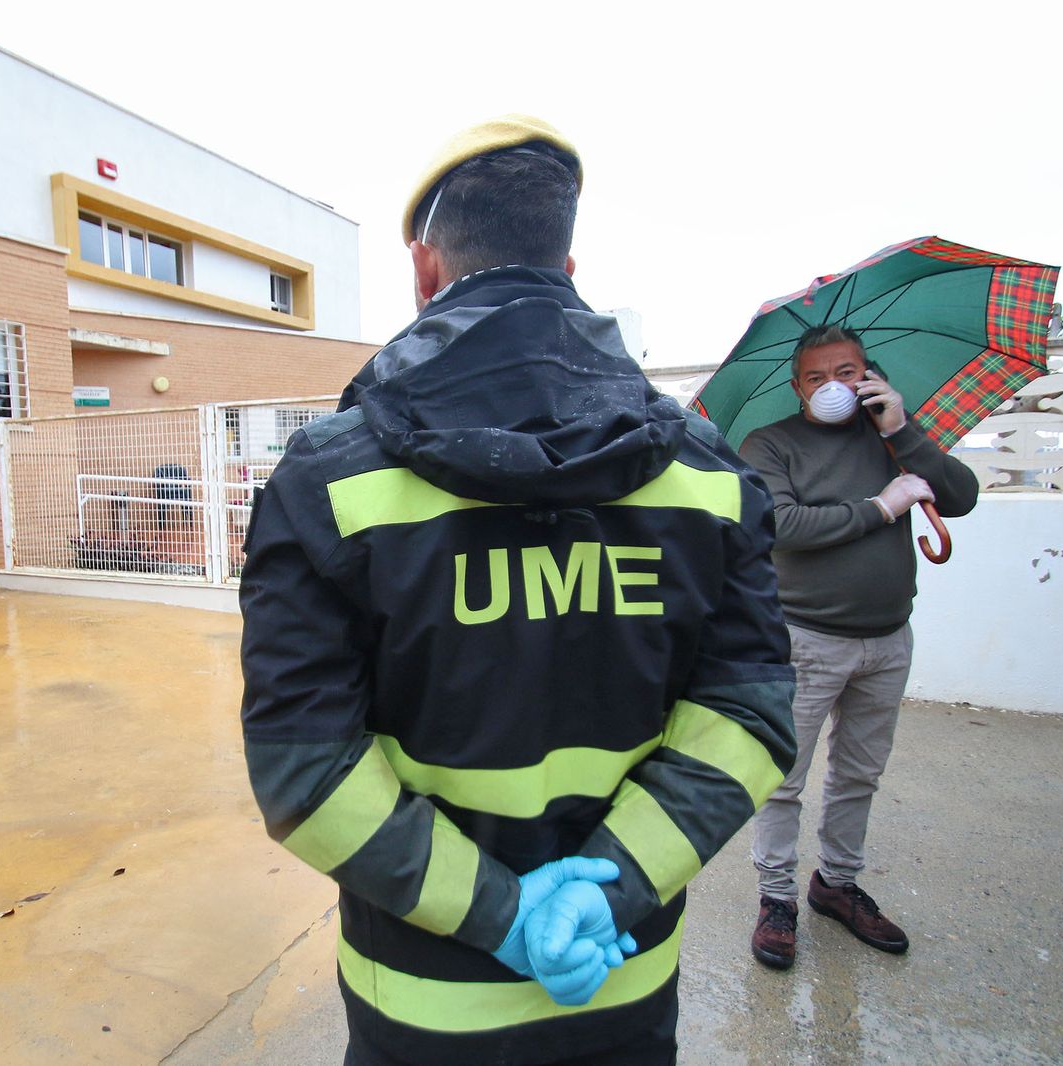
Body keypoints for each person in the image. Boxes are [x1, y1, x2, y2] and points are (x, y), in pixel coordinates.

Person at [238, 115, 796, 1066]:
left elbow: (304, 770)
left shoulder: (330, 482)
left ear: (424, 270)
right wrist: (608, 889)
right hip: (619, 971)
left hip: (419, 1005)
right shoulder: (705, 474)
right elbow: (749, 718)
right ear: (569, 270)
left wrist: (503, 918)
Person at [739, 324, 980, 970]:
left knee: (859, 775)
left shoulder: (892, 435)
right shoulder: (771, 444)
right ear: (797, 387)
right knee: (783, 778)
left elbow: (960, 496)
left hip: (888, 638)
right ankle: (777, 899)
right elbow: (779, 526)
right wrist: (881, 506)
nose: (831, 388)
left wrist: (903, 432)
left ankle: (837, 886)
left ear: (866, 374)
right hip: (806, 640)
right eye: (815, 378)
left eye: (844, 373)